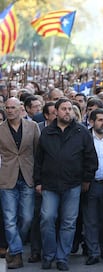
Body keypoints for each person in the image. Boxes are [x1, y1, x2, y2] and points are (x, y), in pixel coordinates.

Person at [34, 98, 98, 271]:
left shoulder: (81, 132)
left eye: (70, 109)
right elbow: (39, 159)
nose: (68, 112)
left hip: (73, 184)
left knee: (69, 223)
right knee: (47, 219)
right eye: (64, 109)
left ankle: (62, 257)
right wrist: (38, 181)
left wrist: (86, 179)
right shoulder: (46, 133)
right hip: (49, 184)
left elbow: (91, 158)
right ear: (56, 111)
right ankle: (48, 255)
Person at [0, 97, 40, 269]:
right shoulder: (0, 129)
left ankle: (14, 246)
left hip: (28, 176)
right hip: (7, 178)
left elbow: (39, 153)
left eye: (13, 107)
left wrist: (39, 178)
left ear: (20, 108)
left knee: (27, 218)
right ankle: (16, 253)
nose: (9, 110)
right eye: (7, 107)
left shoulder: (33, 127)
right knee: (9, 219)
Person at [82, 108, 103, 265]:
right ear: (91, 122)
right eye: (100, 120)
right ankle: (93, 252)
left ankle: (101, 246)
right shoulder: (84, 137)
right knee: (91, 220)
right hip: (91, 184)